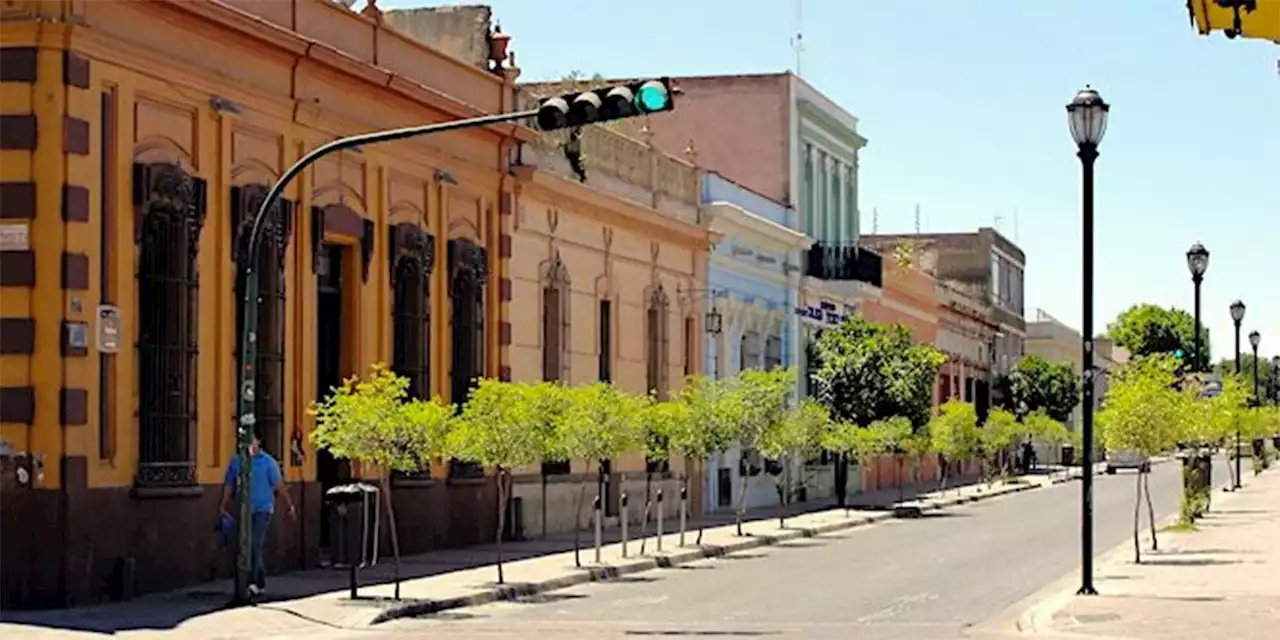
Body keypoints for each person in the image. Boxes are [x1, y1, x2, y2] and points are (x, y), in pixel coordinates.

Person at [218, 429, 296, 597]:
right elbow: (229, 484)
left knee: (254, 544)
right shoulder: (237, 460)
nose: (246, 442)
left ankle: (255, 582)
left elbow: (279, 486)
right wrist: (223, 505)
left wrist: (290, 505)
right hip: (244, 509)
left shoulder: (268, 462)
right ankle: (253, 582)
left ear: (258, 441)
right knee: (245, 545)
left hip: (263, 509)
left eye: (250, 438)